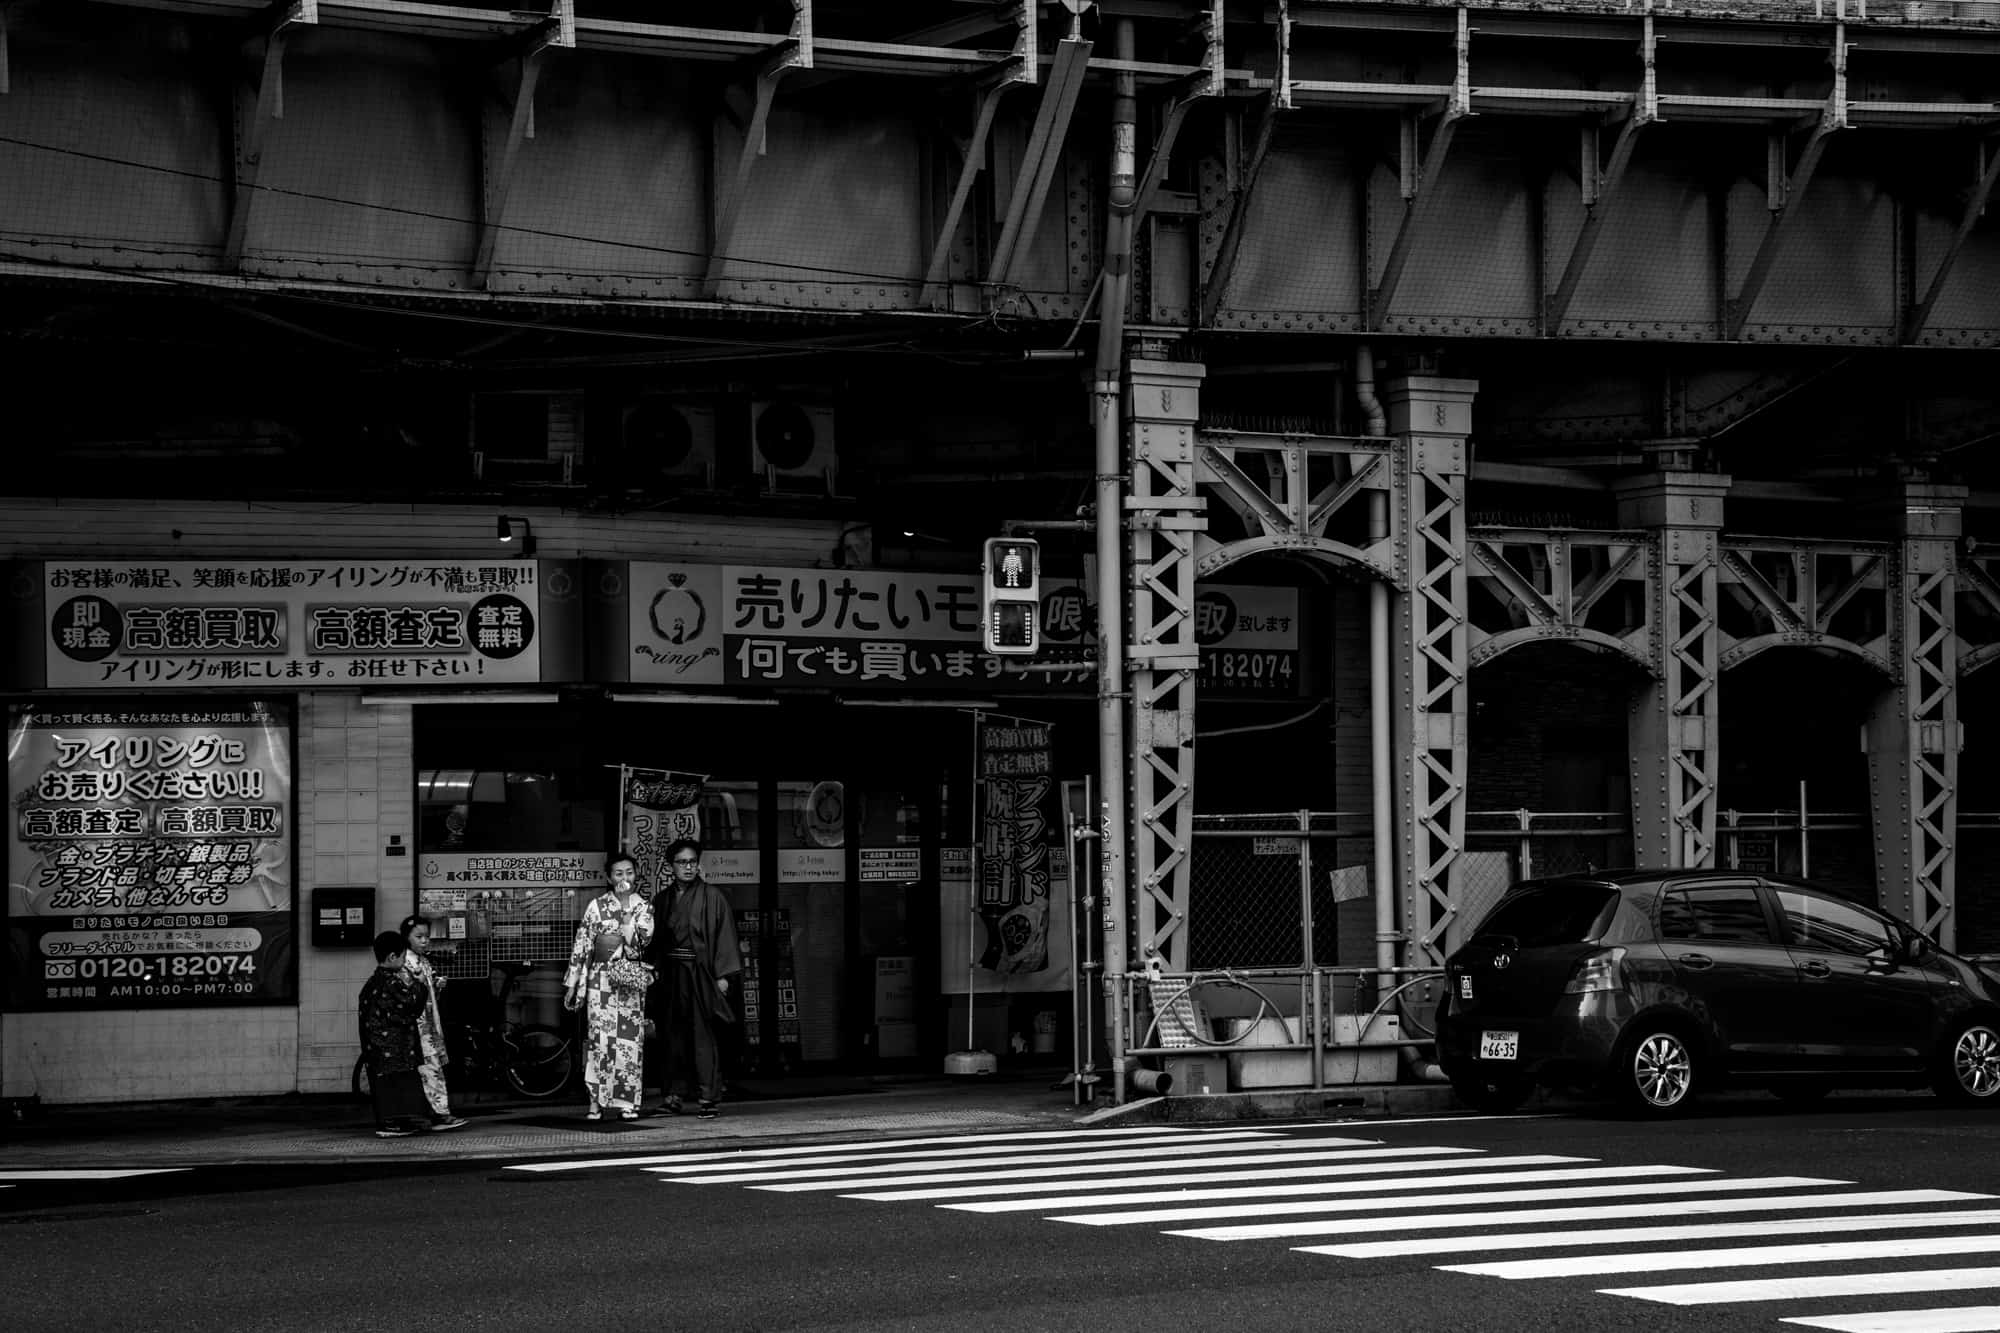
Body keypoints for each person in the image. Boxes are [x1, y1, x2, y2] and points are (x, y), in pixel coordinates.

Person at [651, 838, 742, 1120]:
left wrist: (723, 975)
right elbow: (654, 941)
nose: (689, 867)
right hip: (671, 973)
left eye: (692, 862)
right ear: (671, 866)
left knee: (704, 1035)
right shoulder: (662, 899)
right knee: (672, 1035)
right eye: (682, 862)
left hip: (701, 973)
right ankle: (673, 1096)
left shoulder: (712, 896)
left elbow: (725, 935)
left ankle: (708, 1097)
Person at [564, 849, 655, 1120]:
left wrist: (627, 918)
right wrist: (573, 984)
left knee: (629, 1042)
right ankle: (596, 1101)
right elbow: (582, 946)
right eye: (618, 873)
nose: (624, 877)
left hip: (627, 979)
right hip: (599, 980)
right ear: (609, 877)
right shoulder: (596, 906)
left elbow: (641, 946)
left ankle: (628, 1102)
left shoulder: (644, 907)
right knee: (599, 1041)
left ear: (635, 875)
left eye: (629, 872)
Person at [358, 930, 432, 1138]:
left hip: (376, 1047)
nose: (403, 961)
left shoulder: (372, 983)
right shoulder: (391, 983)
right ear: (392, 957)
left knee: (386, 1087)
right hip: (394, 1046)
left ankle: (392, 1122)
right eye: (402, 957)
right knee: (399, 1086)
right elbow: (411, 1006)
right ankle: (393, 1125)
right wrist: (420, 984)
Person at [400, 914, 467, 1132]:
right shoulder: (406, 963)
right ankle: (440, 1114)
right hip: (420, 1026)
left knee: (430, 1068)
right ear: (406, 937)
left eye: (426, 936)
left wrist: (436, 985)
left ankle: (432, 1113)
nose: (424, 941)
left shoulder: (423, 961)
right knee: (432, 1069)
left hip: (427, 1024)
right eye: (419, 936)